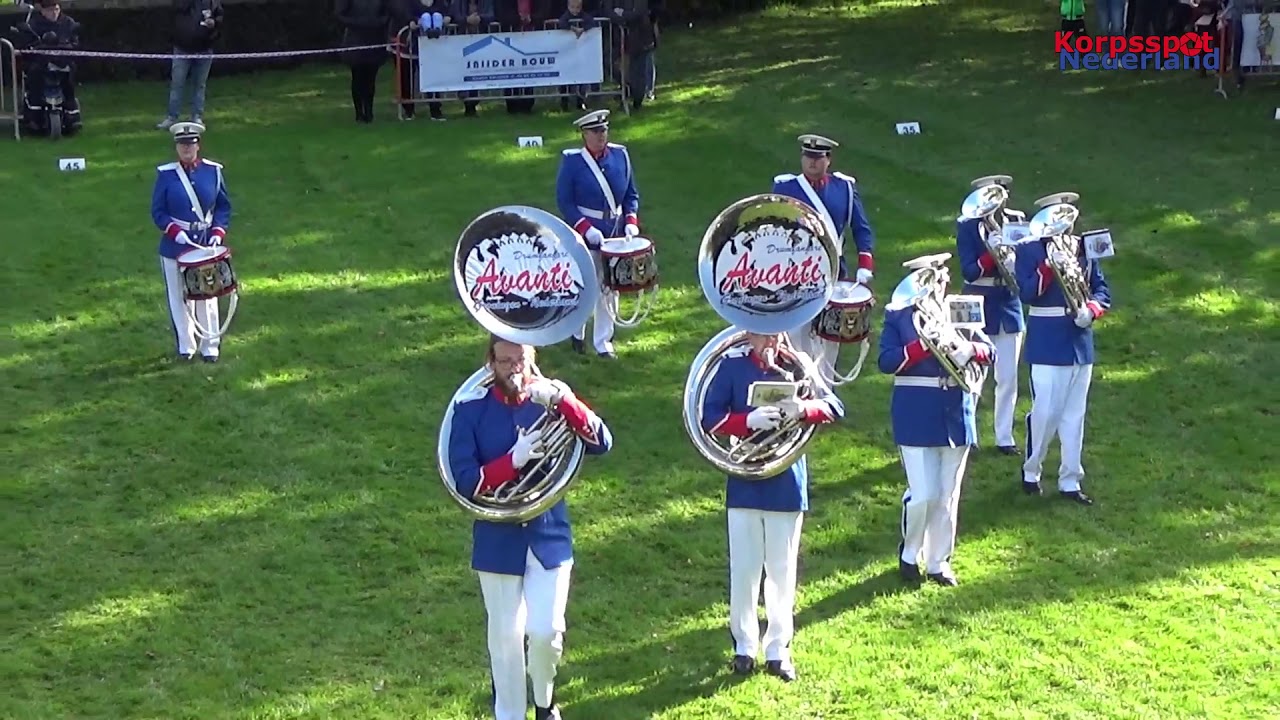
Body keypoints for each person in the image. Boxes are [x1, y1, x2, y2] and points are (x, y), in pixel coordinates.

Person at [446, 335, 614, 720]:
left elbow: (602, 441)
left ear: (531, 357)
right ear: (491, 361)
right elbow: (465, 481)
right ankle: (509, 714)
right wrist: (511, 462)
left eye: (519, 359)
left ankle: (544, 700)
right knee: (504, 639)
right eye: (505, 361)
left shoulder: (551, 402)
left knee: (546, 632)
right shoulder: (469, 410)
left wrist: (564, 401)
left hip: (549, 535)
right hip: (496, 539)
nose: (513, 369)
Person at [700, 331, 844, 681]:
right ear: (748, 334)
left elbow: (835, 407)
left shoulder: (799, 367)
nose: (769, 342)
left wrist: (804, 409)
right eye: (761, 334)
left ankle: (779, 649)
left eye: (775, 334)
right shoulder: (731, 368)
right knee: (745, 570)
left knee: (782, 570)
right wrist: (746, 422)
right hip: (746, 478)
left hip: (786, 479)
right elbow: (708, 418)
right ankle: (744, 647)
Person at [877, 258, 995, 586]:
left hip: (956, 409)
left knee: (947, 494)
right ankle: (909, 552)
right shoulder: (899, 315)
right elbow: (886, 361)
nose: (938, 283)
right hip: (916, 409)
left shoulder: (959, 309)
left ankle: (939, 562)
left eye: (940, 276)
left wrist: (968, 348)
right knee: (924, 493)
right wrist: (920, 346)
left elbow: (990, 351)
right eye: (929, 277)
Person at [1014, 194, 1112, 506]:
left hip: (1080, 341)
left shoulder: (1082, 247)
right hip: (1047, 340)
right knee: (1045, 412)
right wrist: (1048, 264)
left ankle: (1070, 479)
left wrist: (1092, 310)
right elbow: (1027, 292)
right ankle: (1032, 471)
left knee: (1074, 415)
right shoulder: (1028, 248)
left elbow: (1101, 288)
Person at [772, 134, 877, 383]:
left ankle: (825, 390)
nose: (811, 162)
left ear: (828, 160)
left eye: (818, 158)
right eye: (808, 156)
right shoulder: (786, 188)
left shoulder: (845, 188)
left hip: (832, 271)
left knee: (830, 334)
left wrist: (865, 265)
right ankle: (801, 386)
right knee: (796, 333)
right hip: (795, 272)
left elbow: (861, 229)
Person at [554, 109, 641, 360]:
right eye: (595, 132)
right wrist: (585, 228)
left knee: (610, 286)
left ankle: (603, 342)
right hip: (587, 231)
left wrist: (631, 221)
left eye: (603, 130)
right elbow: (565, 201)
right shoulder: (573, 161)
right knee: (584, 284)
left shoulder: (620, 155)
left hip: (614, 231)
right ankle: (577, 332)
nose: (601, 136)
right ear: (584, 135)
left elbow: (630, 195)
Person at [955, 175, 1026, 456]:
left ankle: (1004, 436)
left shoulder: (1017, 219)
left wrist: (1011, 254)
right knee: (973, 373)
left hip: (1008, 300)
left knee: (1008, 376)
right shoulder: (968, 224)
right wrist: (991, 253)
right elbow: (969, 271)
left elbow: (1027, 260)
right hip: (978, 299)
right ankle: (967, 433)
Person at [150, 121, 232, 363]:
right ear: (177, 147)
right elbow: (158, 211)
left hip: (205, 243)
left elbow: (223, 206)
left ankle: (210, 345)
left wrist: (218, 232)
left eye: (191, 144)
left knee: (208, 294)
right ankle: (186, 345)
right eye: (182, 145)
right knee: (179, 296)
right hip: (175, 244)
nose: (186, 149)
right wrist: (174, 231)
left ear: (198, 145)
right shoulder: (166, 175)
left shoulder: (213, 171)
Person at [156, 0, 223, 130]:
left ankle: (196, 117)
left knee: (199, 85)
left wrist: (214, 23)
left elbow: (219, 15)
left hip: (204, 48)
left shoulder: (211, 1)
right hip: (182, 48)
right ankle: (172, 117)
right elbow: (175, 11)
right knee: (177, 83)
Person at [17, 0, 82, 134]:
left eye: (56, 9)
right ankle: (34, 115)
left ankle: (71, 113)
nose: (54, 13)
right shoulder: (34, 25)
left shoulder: (68, 23)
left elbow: (75, 43)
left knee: (69, 75)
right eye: (50, 10)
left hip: (62, 61)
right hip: (40, 62)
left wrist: (69, 46)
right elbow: (26, 45)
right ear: (42, 11)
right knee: (35, 75)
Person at [336, 0, 393, 123]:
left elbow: (388, 13)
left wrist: (378, 22)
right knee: (357, 77)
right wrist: (359, 23)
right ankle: (359, 112)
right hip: (355, 40)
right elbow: (340, 15)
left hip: (375, 39)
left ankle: (369, 111)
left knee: (371, 78)